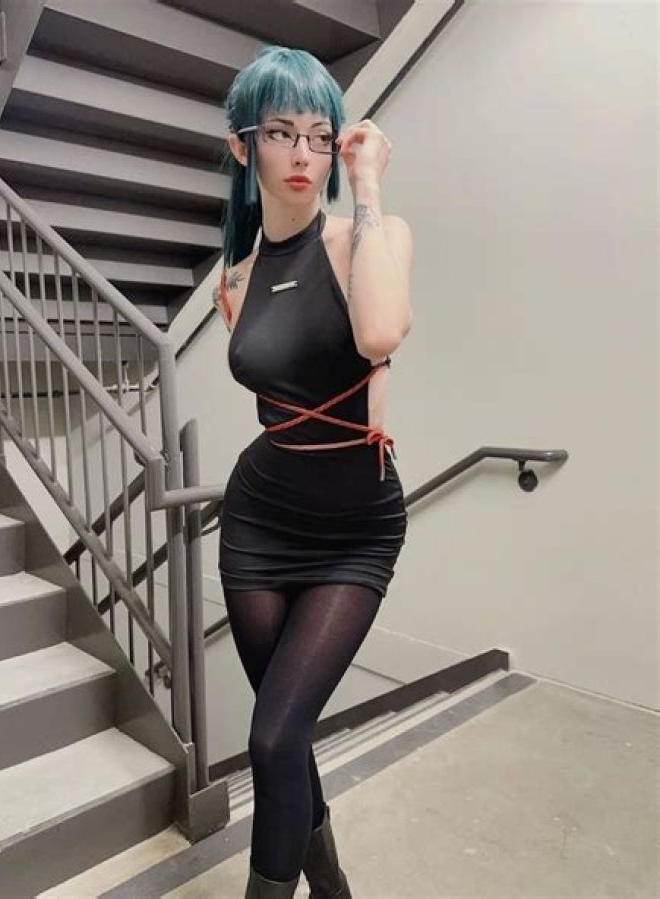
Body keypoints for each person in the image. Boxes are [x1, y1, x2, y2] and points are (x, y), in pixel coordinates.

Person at [212, 45, 413, 898]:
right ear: (242, 146)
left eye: (320, 136)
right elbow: (277, 379)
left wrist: (366, 188)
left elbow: (378, 335)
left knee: (270, 739)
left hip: (355, 528)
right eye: (281, 133)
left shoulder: (373, 237)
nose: (303, 154)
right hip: (258, 522)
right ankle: (333, 890)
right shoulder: (234, 280)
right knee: (284, 737)